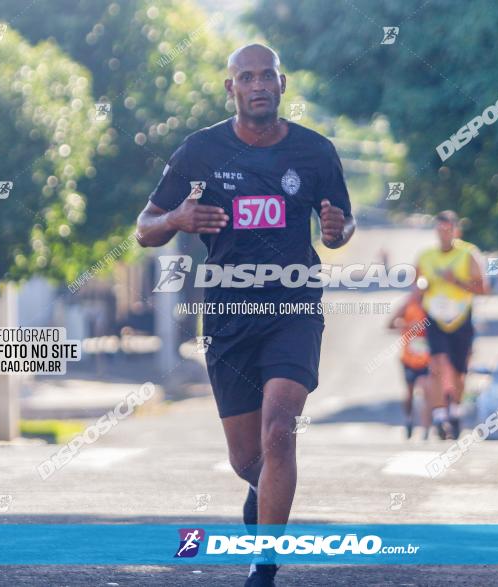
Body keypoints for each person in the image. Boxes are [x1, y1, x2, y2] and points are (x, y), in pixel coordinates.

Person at [135, 43, 355, 587]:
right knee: (246, 458)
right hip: (230, 314)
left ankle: (263, 564)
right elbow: (144, 227)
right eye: (246, 77)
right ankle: (262, 490)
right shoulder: (200, 150)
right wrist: (179, 216)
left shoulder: (315, 152)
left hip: (293, 307)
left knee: (280, 430)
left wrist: (336, 231)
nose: (258, 85)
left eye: (267, 76)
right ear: (230, 88)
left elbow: (344, 223)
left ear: (283, 85)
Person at [416, 211, 488, 440]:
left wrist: (456, 281)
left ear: (456, 231)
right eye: (439, 230)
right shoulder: (426, 255)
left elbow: (483, 288)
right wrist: (423, 285)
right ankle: (438, 416)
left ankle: (454, 412)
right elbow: (416, 283)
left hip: (460, 318)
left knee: (458, 372)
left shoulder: (468, 254)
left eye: (448, 229)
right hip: (435, 317)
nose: (443, 234)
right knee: (438, 365)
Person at [388, 289, 431, 439]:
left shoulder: (431, 304)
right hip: (409, 358)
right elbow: (390, 324)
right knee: (410, 394)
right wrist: (406, 325)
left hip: (427, 359)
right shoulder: (407, 305)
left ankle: (426, 430)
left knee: (426, 392)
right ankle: (409, 419)